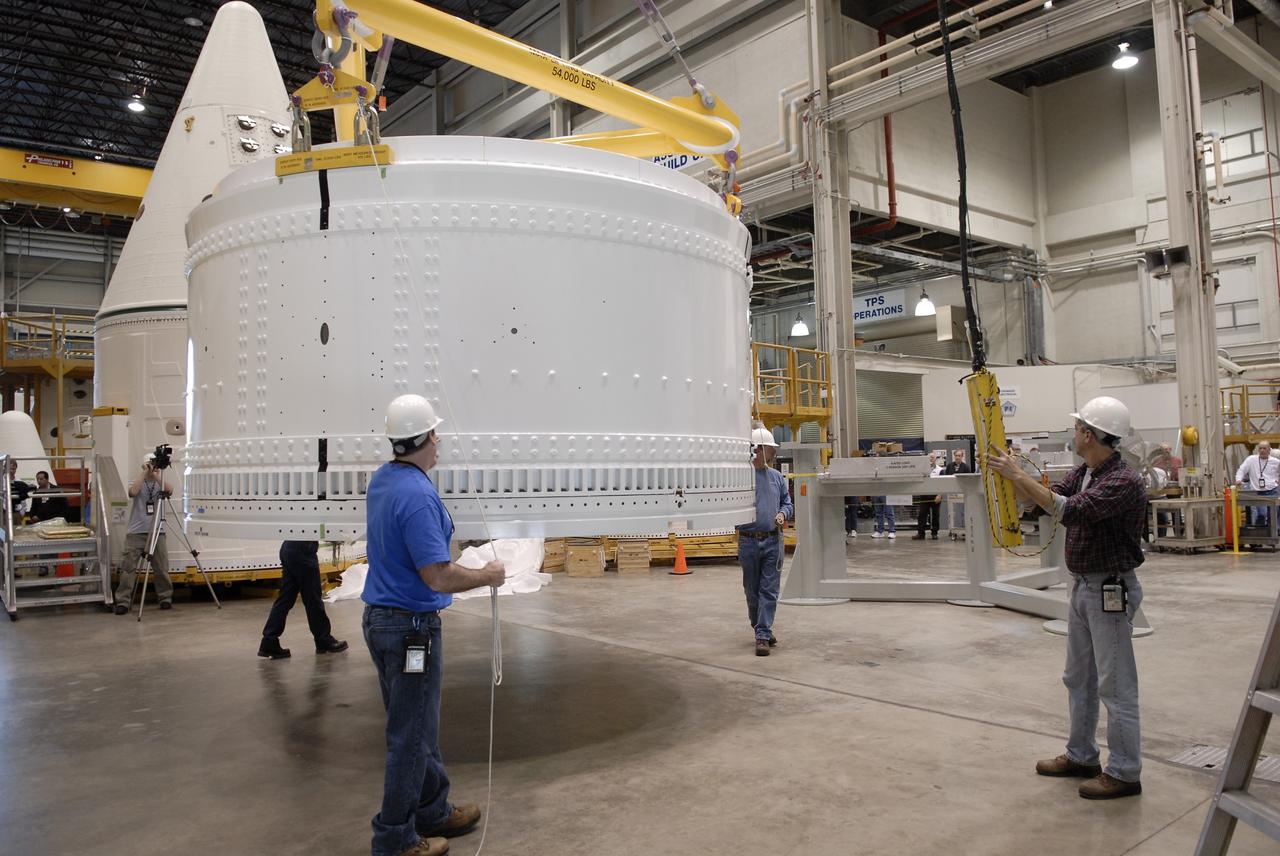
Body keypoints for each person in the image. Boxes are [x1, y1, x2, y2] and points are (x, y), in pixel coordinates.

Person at [363, 394, 506, 856]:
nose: (441, 440)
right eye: (436, 433)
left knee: (416, 724)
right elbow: (437, 574)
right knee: (409, 735)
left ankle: (433, 809)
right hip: (411, 630)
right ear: (423, 439)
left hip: (383, 622)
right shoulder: (418, 495)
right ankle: (395, 837)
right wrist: (487, 575)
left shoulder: (385, 480)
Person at [986, 396, 1147, 800]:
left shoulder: (1122, 482)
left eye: (1077, 429)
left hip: (1109, 589)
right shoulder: (1087, 471)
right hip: (1083, 587)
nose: (1074, 434)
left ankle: (1126, 772)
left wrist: (1017, 475)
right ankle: (1081, 755)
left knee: (1115, 684)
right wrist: (1014, 478)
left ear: (1089, 435)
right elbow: (1046, 497)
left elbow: (1068, 510)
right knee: (1078, 677)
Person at [736, 427, 794, 657]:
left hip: (772, 541)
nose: (771, 453)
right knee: (752, 591)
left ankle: (762, 634)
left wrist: (783, 514)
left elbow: (787, 503)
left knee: (768, 590)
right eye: (768, 449)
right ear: (756, 450)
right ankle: (760, 625)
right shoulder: (740, 478)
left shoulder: (776, 477)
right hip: (748, 542)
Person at [257, 541, 349, 659]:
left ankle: (269, 641)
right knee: (313, 599)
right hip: (303, 550)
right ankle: (323, 640)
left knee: (285, 598)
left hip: (288, 548)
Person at [113, 454, 175, 613]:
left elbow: (169, 490)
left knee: (161, 568)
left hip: (157, 532)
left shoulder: (159, 483)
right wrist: (144, 472)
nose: (152, 466)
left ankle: (165, 597)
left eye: (153, 463)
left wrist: (156, 475)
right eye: (149, 464)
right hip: (136, 532)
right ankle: (123, 601)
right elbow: (132, 492)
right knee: (128, 568)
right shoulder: (136, 482)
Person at [1235, 441, 1280, 531]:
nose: (1262, 450)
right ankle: (1262, 534)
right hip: (1258, 492)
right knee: (1262, 514)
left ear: (1269, 450)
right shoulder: (1251, 460)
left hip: (1273, 490)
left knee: (1273, 514)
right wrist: (1238, 479)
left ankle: (1272, 534)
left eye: (1264, 448)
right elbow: (1242, 469)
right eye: (1260, 448)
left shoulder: (1275, 462)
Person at [912, 452, 943, 540]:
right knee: (922, 515)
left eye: (932, 457)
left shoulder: (940, 470)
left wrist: (939, 495)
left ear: (935, 459)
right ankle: (921, 534)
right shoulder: (922, 470)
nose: (930, 459)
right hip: (924, 495)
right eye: (929, 458)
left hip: (935, 496)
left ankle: (934, 533)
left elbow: (943, 484)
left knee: (935, 515)